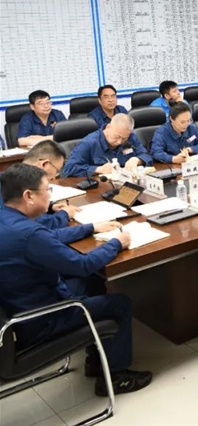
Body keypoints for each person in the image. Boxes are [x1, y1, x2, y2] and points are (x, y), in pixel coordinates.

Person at [0, 163, 152, 396]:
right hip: (41, 320)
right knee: (120, 303)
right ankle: (116, 377)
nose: (50, 195)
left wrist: (91, 228)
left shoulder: (8, 219)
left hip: (19, 308)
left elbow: (49, 237)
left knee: (92, 282)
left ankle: (96, 359)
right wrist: (116, 243)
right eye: (47, 189)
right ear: (28, 196)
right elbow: (82, 264)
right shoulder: (29, 234)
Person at [0, 142, 80, 232]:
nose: (54, 177)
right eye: (57, 170)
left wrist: (51, 207)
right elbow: (36, 226)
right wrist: (64, 215)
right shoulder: (8, 186)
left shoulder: (9, 177)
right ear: (44, 164)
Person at [62, 114, 151, 178]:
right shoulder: (89, 143)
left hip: (127, 183)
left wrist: (137, 159)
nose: (120, 142)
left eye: (124, 139)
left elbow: (147, 155)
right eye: (117, 137)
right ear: (108, 127)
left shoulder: (130, 137)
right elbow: (68, 169)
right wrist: (98, 169)